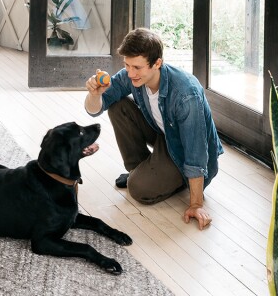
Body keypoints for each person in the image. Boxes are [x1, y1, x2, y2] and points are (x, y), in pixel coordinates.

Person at [84, 28, 222, 230]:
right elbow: (94, 110)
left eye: (137, 67)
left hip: (187, 153)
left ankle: (156, 178)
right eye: (127, 65)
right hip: (164, 136)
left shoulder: (186, 94)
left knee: (138, 189)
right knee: (117, 105)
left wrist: (196, 204)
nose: (130, 73)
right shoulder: (132, 76)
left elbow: (196, 152)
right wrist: (95, 94)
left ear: (157, 63)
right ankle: (140, 170)